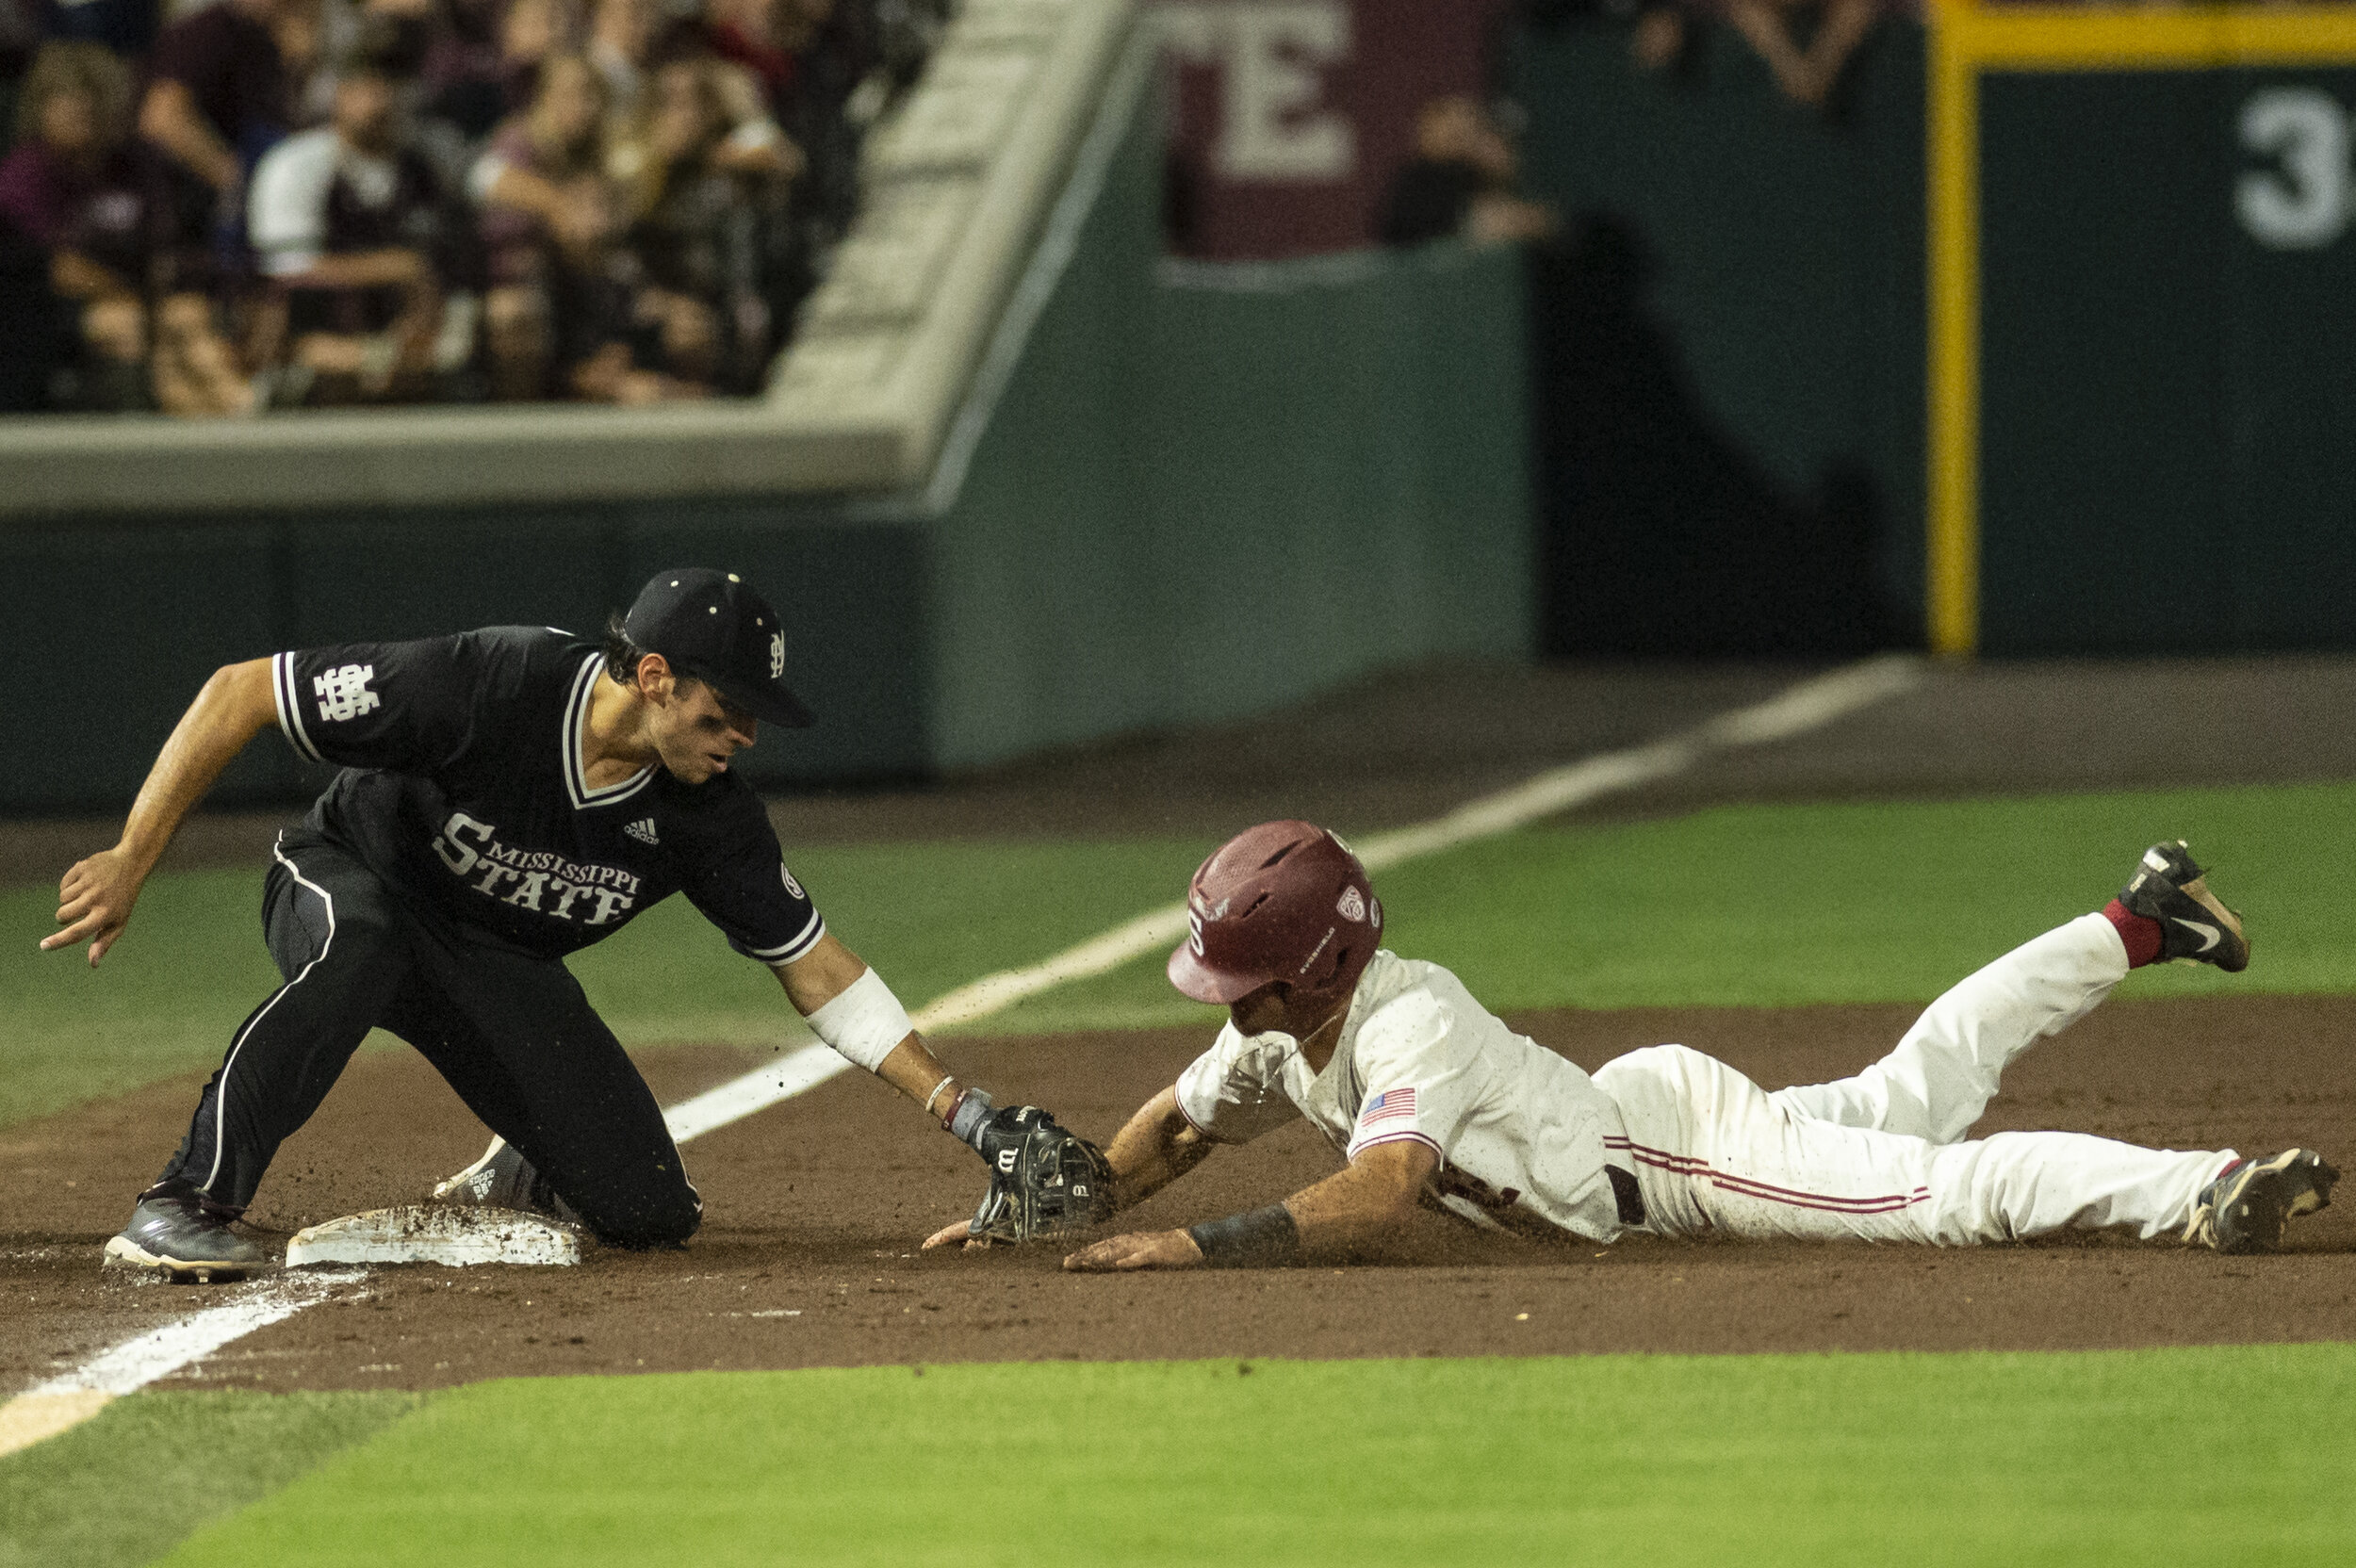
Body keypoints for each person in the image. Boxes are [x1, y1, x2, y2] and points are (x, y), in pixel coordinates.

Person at [48, 568, 1063, 1282]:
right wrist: (133, 858)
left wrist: (965, 1110)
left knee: (650, 1214)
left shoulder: (710, 812)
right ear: (654, 673)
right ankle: (182, 1203)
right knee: (359, 944)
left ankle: (526, 1156)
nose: (745, 734)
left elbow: (816, 966)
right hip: (354, 874)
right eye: (728, 707)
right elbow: (241, 690)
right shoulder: (493, 682)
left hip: (488, 957)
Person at [930, 822, 2335, 1270]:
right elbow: (1174, 1127)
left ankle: (2199, 1188)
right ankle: (2141, 918)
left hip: (1659, 1156)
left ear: (1322, 964)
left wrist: (1193, 1250)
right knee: (1912, 1095)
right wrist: (1076, 1206)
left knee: (1928, 1192)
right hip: (1631, 1115)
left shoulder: (1408, 1015)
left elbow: (1384, 1189)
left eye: (1244, 975)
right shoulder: (1278, 1036)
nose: (1222, 1002)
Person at [245, 29, 459, 402]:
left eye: (392, 85)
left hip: (404, 337)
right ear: (339, 94)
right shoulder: (297, 165)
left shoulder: (423, 167)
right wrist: (394, 267)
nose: (382, 100)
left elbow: (447, 263)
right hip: (314, 339)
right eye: (367, 86)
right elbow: (289, 269)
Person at [1377, 95, 1555, 251]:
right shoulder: (1417, 184)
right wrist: (1476, 221)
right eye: (1456, 135)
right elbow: (1402, 226)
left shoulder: (1495, 182)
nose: (1471, 143)